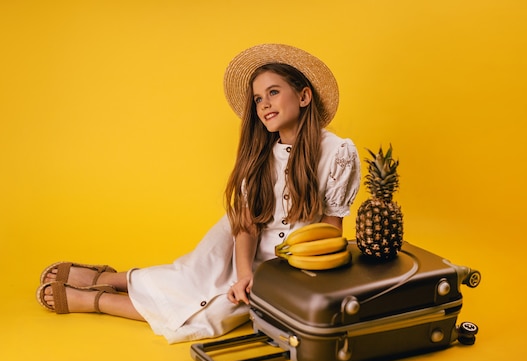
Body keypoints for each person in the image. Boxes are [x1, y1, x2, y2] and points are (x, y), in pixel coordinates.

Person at [36, 44, 361, 344]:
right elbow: (246, 225)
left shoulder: (336, 154)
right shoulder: (261, 155)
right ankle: (113, 279)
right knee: (190, 277)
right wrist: (244, 272)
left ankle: (99, 300)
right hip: (242, 247)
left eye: (273, 93)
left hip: (290, 267)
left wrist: (290, 283)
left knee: (213, 316)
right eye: (259, 99)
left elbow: (330, 234)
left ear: (304, 96)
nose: (265, 105)